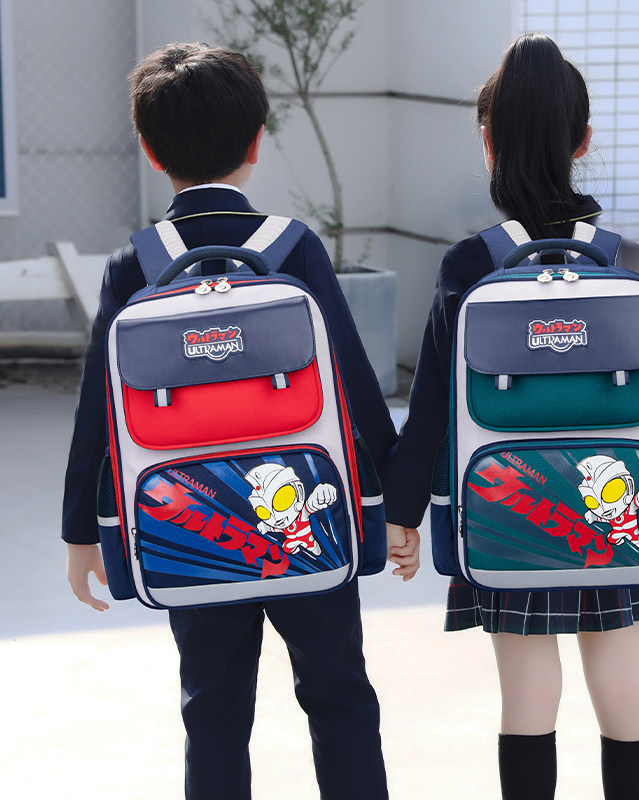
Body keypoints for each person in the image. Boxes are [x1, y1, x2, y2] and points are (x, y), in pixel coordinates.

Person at [62, 42, 402, 800]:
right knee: (340, 695)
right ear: (256, 142)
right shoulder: (293, 249)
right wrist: (396, 501)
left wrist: (83, 528)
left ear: (149, 150)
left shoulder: (136, 264)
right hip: (308, 519)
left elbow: (98, 411)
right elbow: (352, 380)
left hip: (189, 523)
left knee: (212, 710)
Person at [381, 34, 639, 800]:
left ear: (489, 142)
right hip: (614, 502)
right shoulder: (631, 262)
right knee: (623, 679)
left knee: (526, 694)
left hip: (509, 507)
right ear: (584, 140)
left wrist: (402, 513)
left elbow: (432, 406)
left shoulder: (470, 265)